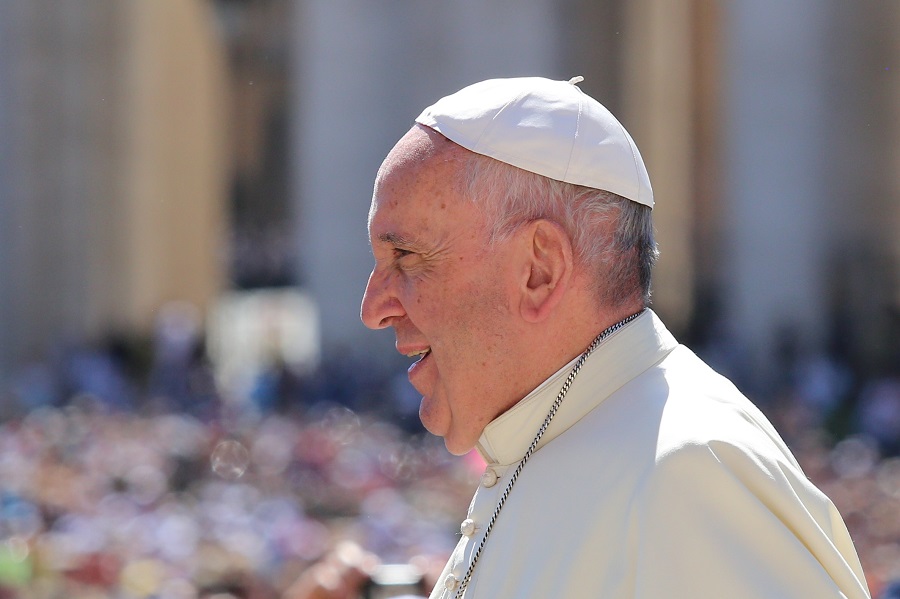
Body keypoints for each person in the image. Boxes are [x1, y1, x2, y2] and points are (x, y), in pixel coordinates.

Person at [360, 76, 871, 598]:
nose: (373, 309)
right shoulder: (546, 437)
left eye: (406, 258)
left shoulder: (687, 471)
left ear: (539, 270)